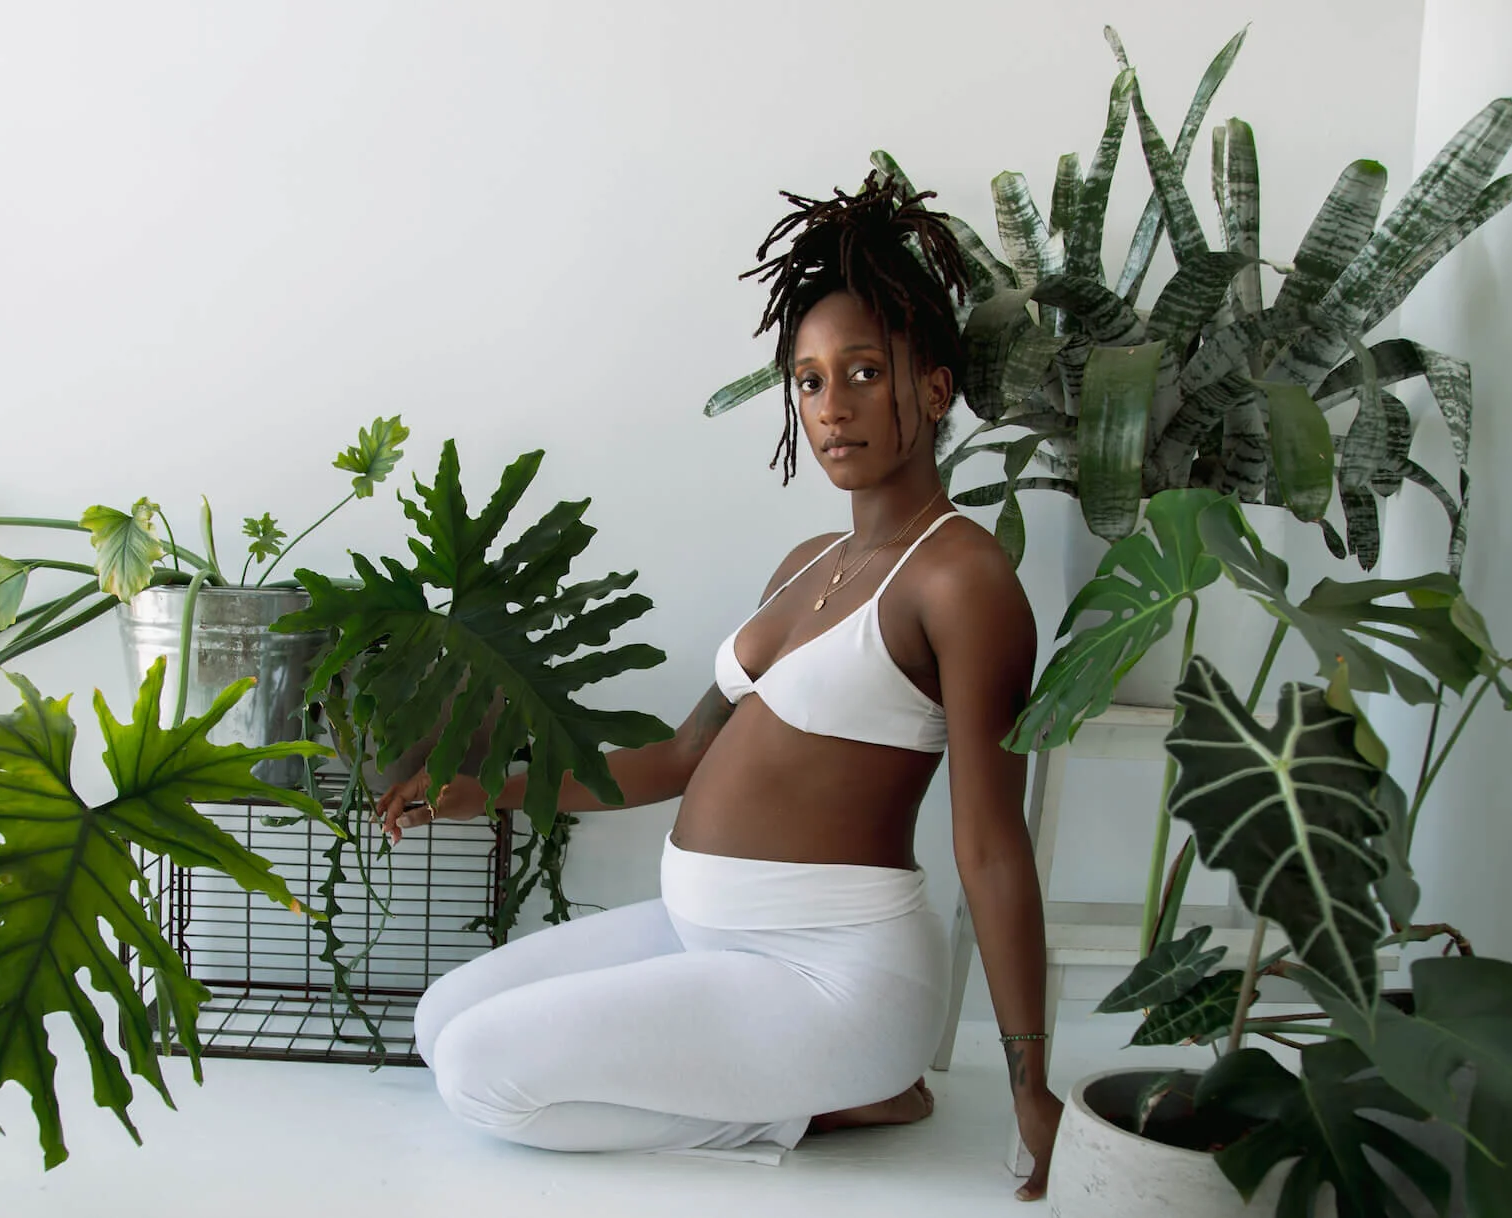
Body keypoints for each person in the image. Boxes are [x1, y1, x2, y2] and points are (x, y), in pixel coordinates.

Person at [377, 178, 1063, 1201]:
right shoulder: (805, 562)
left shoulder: (961, 580)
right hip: (702, 932)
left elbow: (991, 847)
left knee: (482, 1077)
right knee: (441, 1023)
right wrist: (491, 791)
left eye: (864, 373)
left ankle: (838, 1093)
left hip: (833, 977)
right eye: (809, 381)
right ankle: (816, 1092)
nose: (832, 407)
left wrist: (1030, 1087)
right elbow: (680, 758)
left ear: (932, 390)